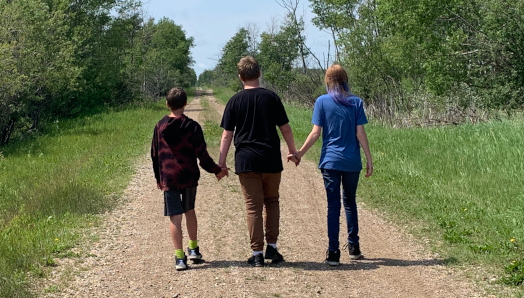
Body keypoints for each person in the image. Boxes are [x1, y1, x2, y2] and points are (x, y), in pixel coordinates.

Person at [218, 56, 298, 267]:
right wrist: (293, 152)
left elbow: (227, 135)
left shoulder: (235, 101)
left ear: (240, 77)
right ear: (259, 74)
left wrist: (221, 163)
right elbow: (285, 128)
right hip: (270, 159)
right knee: (272, 202)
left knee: (253, 207)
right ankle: (272, 247)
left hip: (247, 161)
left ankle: (257, 254)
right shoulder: (271, 98)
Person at [291, 64, 373, 266]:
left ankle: (334, 252)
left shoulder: (321, 101)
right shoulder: (355, 102)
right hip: (352, 161)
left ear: (327, 81)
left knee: (333, 206)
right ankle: (354, 247)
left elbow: (315, 133)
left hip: (330, 161)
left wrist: (299, 153)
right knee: (350, 203)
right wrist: (369, 159)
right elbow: (360, 133)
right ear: (345, 80)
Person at [151, 87, 228, 271]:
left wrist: (158, 177)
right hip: (188, 175)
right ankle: (193, 249)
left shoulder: (160, 126)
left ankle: (179, 258)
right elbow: (202, 155)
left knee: (174, 217)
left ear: (167, 104)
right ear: (185, 103)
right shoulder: (192, 126)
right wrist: (217, 170)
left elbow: (155, 154)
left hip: (169, 177)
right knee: (189, 211)